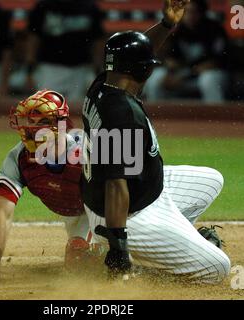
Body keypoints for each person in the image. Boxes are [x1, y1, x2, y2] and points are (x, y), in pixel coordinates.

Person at [81, 0, 231, 283]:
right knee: (218, 267)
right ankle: (140, 267)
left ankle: (174, 242)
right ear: (143, 71)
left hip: (144, 191)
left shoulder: (103, 83)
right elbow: (117, 185)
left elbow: (136, 52)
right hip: (127, 215)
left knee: (212, 180)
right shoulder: (121, 114)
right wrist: (118, 247)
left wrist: (167, 25)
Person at [0, 90, 94, 280]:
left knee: (103, 263)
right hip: (76, 212)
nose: (30, 129)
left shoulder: (87, 151)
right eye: (29, 121)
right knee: (78, 262)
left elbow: (116, 196)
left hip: (109, 210)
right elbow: (3, 213)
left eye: (40, 122)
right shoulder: (19, 158)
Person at [144, 0, 229, 103]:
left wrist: (183, 76)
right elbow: (172, 60)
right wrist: (170, 73)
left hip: (207, 76)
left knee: (209, 79)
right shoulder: (178, 31)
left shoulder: (214, 30)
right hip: (183, 76)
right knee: (156, 77)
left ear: (202, 13)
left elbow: (213, 63)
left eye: (194, 12)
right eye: (187, 12)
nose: (190, 16)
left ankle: (217, 116)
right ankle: (158, 116)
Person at [26, 0, 105, 106]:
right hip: (49, 67)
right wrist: (30, 68)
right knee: (49, 109)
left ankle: (63, 124)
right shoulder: (45, 5)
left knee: (74, 110)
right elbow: (33, 38)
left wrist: (97, 69)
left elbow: (97, 40)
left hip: (79, 69)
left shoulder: (89, 7)